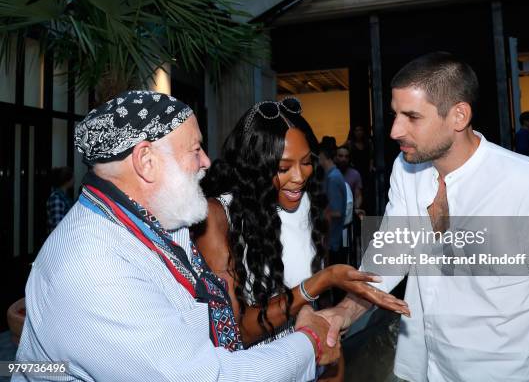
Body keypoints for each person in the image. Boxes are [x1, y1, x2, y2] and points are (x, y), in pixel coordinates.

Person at [14, 91, 344, 381]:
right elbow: (209, 377)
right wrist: (309, 343)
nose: (206, 162)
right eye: (195, 149)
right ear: (146, 161)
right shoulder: (93, 266)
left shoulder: (156, 221)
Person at [320, 52, 529, 382]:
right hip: (423, 366)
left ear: (458, 116)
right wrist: (344, 311)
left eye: (412, 117)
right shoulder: (406, 170)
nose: (395, 130)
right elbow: (391, 253)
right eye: (395, 114)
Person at [192, 99, 408, 377]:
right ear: (256, 165)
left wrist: (332, 365)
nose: (299, 177)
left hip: (311, 361)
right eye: (283, 168)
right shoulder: (218, 217)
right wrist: (319, 282)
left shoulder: (307, 203)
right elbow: (235, 334)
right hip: (259, 371)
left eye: (306, 162)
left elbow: (317, 308)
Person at [318, 139, 347, 267]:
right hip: (332, 239)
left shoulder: (333, 178)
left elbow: (336, 212)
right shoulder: (332, 176)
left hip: (333, 239)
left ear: (322, 156)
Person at [335, 145, 364, 216]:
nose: (343, 159)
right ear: (335, 157)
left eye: (346, 156)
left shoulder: (355, 174)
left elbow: (358, 195)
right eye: (340, 156)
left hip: (348, 211)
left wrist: (356, 208)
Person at [46, 166, 74, 233]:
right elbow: (57, 226)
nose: (74, 180)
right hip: (60, 240)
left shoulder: (64, 197)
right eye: (72, 177)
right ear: (67, 180)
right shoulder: (57, 198)